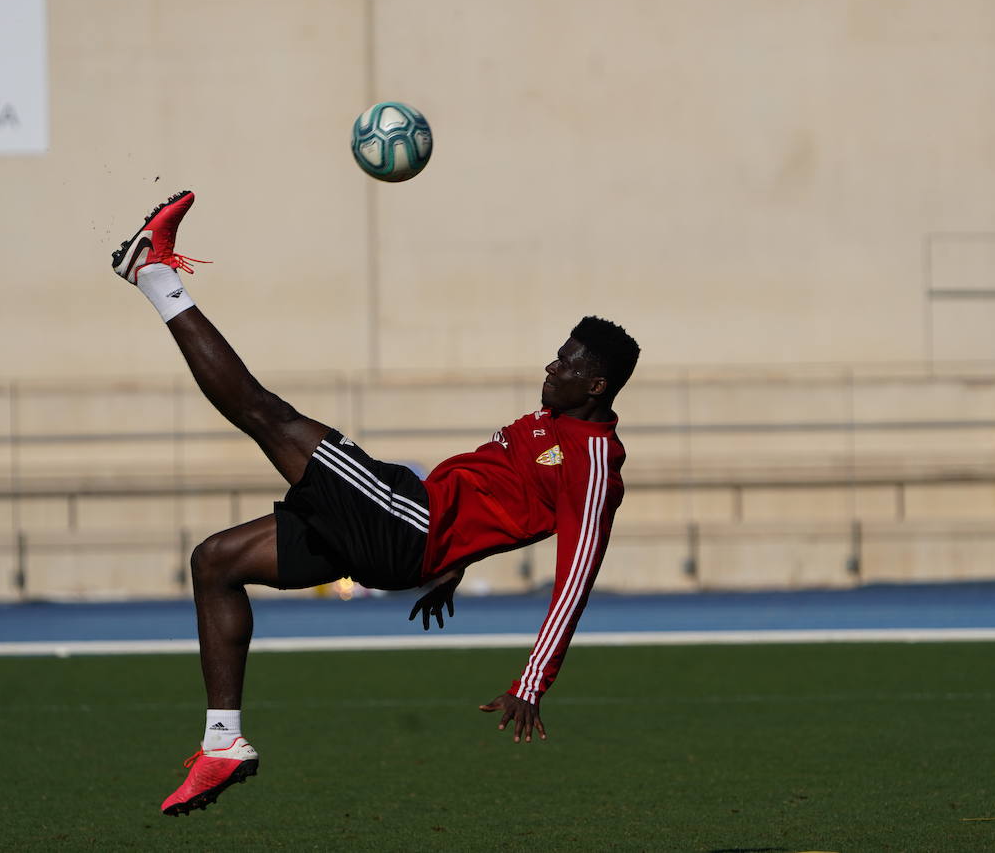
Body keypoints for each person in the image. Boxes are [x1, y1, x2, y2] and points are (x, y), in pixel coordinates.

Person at [110, 191, 640, 816]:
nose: (551, 366)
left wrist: (531, 682)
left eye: (566, 364)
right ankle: (222, 743)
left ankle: (153, 273)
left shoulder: (594, 461)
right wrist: (456, 562)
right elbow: (505, 503)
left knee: (266, 414)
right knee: (215, 561)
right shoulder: (554, 419)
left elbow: (576, 578)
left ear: (596, 386)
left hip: (405, 520)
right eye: (557, 354)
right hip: (408, 540)